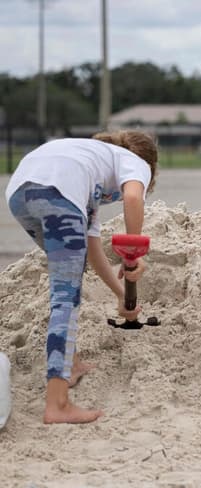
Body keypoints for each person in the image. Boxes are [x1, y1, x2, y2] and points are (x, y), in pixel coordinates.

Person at [5, 130, 158, 424]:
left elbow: (91, 250)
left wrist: (119, 294)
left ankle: (70, 364)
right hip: (58, 195)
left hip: (21, 194)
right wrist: (133, 253)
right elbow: (133, 196)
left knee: (69, 275)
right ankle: (58, 404)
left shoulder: (87, 168)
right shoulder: (135, 161)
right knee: (66, 297)